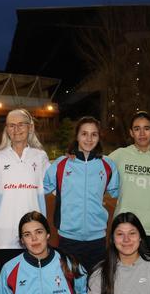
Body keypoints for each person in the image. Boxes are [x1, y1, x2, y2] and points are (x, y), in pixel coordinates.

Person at [43, 116, 119, 273]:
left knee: (96, 287)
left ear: (99, 137)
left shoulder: (107, 165)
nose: (89, 139)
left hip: (97, 238)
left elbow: (115, 191)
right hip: (68, 238)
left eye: (94, 134)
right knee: (68, 287)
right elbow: (42, 187)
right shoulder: (61, 164)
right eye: (84, 134)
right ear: (77, 136)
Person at [0, 109, 51, 276]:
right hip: (3, 234)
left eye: (21, 124)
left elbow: (56, 185)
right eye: (11, 125)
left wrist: (71, 160)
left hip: (34, 234)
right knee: (7, 288)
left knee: (33, 287)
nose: (16, 129)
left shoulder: (40, 157)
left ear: (30, 127)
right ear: (6, 129)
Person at [108, 111, 150, 257]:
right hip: (122, 228)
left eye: (146, 128)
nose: (142, 133)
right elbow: (96, 169)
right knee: (119, 276)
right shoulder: (119, 155)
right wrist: (75, 155)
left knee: (148, 277)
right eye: (137, 128)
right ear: (131, 133)